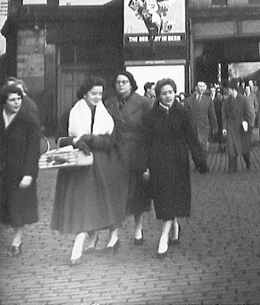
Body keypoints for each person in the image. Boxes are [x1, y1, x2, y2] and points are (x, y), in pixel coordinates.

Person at [51, 76, 128, 266]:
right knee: (82, 206)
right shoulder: (70, 113)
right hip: (77, 166)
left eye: (100, 94)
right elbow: (59, 139)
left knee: (94, 204)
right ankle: (83, 243)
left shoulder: (107, 114)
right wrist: (75, 141)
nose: (97, 97)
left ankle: (84, 244)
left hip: (102, 165)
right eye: (93, 93)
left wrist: (93, 139)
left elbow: (112, 140)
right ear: (84, 93)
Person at [142, 78, 208, 259]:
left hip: (178, 160)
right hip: (158, 161)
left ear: (175, 93)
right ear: (158, 96)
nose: (168, 96)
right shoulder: (151, 115)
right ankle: (175, 228)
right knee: (164, 198)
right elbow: (145, 142)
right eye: (163, 93)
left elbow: (191, 138)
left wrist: (200, 159)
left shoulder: (183, 112)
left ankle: (163, 237)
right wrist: (144, 165)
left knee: (173, 197)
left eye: (170, 92)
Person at [104, 70, 152, 246]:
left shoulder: (144, 103)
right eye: (118, 82)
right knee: (115, 195)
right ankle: (114, 235)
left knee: (138, 195)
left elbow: (149, 132)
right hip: (115, 154)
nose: (121, 85)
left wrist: (147, 160)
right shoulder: (109, 103)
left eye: (124, 82)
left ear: (131, 84)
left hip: (136, 154)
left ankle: (138, 229)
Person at [0, 83, 39, 258]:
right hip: (2, 170)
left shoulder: (28, 120)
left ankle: (17, 241)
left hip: (19, 171)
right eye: (12, 99)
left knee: (18, 207)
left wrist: (29, 173)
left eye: (19, 99)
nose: (16, 102)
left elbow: (33, 149)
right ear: (4, 101)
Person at [221, 81, 255, 172]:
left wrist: (249, 125)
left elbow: (249, 113)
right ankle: (232, 167)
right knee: (231, 147)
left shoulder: (243, 99)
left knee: (244, 148)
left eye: (229, 90)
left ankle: (247, 161)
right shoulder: (227, 101)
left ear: (233, 89)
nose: (228, 92)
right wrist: (224, 127)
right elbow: (224, 115)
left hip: (241, 127)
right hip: (230, 126)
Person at [184, 81, 217, 152]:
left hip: (204, 127)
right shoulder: (188, 100)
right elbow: (185, 116)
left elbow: (212, 114)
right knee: (194, 150)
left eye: (203, 86)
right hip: (192, 128)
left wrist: (215, 127)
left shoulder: (208, 100)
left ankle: (203, 162)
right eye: (200, 86)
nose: (202, 88)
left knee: (203, 149)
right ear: (196, 87)